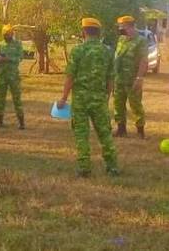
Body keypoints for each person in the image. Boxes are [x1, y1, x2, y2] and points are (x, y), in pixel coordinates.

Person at [58, 18, 119, 178]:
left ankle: (84, 168)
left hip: (80, 100)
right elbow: (110, 78)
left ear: (84, 32)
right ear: (98, 32)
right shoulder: (108, 51)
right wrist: (106, 98)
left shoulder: (78, 51)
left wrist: (63, 98)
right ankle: (112, 166)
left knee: (81, 133)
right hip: (99, 98)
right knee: (105, 133)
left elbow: (70, 77)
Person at [113, 15, 148, 138]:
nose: (120, 29)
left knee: (135, 104)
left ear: (129, 26)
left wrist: (139, 78)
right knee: (118, 104)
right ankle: (121, 129)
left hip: (132, 79)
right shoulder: (121, 39)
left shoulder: (141, 40)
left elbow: (144, 60)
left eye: (121, 27)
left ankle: (140, 131)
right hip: (119, 78)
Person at [0, 24, 24, 129]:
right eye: (5, 34)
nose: (7, 35)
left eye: (9, 33)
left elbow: (20, 57)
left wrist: (8, 59)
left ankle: (21, 122)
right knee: (1, 98)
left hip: (13, 76)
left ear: (12, 33)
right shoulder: (0, 44)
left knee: (17, 98)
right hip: (2, 75)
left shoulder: (18, 44)